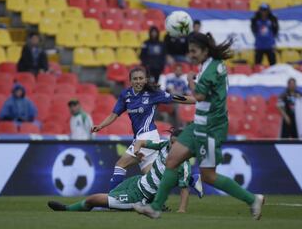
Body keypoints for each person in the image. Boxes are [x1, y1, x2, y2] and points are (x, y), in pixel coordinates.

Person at [133, 32, 265, 220]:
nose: (191, 55)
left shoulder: (211, 68)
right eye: (189, 51)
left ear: (204, 50)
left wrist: (189, 81)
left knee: (209, 176)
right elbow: (200, 96)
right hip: (199, 124)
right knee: (171, 160)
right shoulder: (210, 64)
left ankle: (252, 199)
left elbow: (200, 96)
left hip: (211, 128)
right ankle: (155, 208)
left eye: (194, 51)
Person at [47, 128, 203, 212]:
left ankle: (66, 209)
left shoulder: (184, 165)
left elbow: (184, 190)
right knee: (108, 199)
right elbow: (141, 141)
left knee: (94, 199)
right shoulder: (163, 145)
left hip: (139, 197)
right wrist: (137, 151)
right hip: (136, 183)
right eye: (172, 142)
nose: (173, 146)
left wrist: (182, 210)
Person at [91, 67, 195, 191]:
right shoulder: (126, 95)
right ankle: (191, 180)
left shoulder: (153, 94)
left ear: (146, 80)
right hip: (142, 137)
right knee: (151, 176)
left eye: (141, 78)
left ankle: (112, 199)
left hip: (147, 136)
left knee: (120, 165)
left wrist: (197, 100)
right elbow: (114, 114)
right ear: (130, 81)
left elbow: (176, 98)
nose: (138, 81)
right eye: (135, 79)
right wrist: (101, 125)